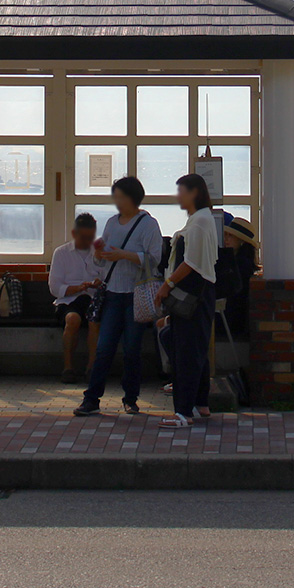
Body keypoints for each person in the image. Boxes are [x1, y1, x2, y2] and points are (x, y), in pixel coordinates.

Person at [74, 176, 163, 417]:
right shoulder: (112, 223)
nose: (117, 201)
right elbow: (100, 262)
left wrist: (125, 254)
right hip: (113, 292)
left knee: (132, 350)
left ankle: (130, 398)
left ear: (133, 198)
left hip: (136, 294)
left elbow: (154, 258)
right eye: (115, 196)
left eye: (121, 196)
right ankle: (92, 398)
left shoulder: (148, 224)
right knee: (104, 348)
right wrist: (100, 253)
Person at [157, 173, 219, 429]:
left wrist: (166, 285)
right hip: (200, 295)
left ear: (194, 192)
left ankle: (183, 411)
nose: (178, 196)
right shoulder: (202, 219)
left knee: (186, 353)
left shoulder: (200, 222)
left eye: (181, 191)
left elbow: (191, 262)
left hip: (193, 296)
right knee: (193, 349)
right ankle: (200, 403)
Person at [49, 212, 103, 383]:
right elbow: (54, 287)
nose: (87, 242)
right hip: (68, 301)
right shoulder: (61, 253)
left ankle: (92, 367)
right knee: (72, 319)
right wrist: (76, 288)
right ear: (74, 234)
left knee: (95, 320)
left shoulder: (99, 253)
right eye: (83, 237)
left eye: (90, 237)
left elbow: (106, 278)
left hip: (92, 299)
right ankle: (68, 367)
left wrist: (97, 283)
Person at [216, 215, 261, 334]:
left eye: (231, 236)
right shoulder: (242, 262)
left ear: (241, 241)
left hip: (232, 320)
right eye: (226, 235)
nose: (226, 239)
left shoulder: (240, 264)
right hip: (234, 317)